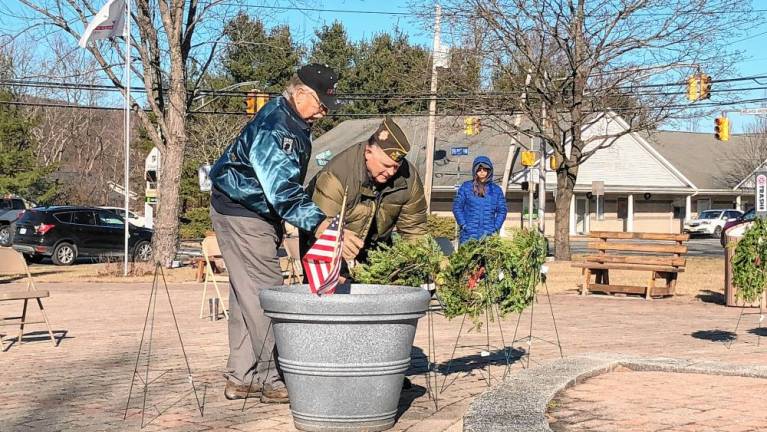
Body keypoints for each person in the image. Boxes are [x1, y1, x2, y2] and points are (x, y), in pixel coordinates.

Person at [208, 64, 363, 403]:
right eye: (321, 104)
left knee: (246, 295)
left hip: (243, 210)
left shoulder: (292, 120)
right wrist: (323, 225)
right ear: (302, 93)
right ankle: (274, 377)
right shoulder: (277, 127)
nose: (324, 112)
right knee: (268, 295)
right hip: (243, 212)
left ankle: (242, 376)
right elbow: (282, 191)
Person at [300, 117, 428, 276]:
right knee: (327, 294)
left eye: (396, 166)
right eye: (386, 165)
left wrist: (420, 266)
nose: (391, 172)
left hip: (376, 250)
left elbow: (414, 230)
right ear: (368, 152)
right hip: (329, 246)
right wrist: (337, 272)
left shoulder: (408, 179)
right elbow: (322, 229)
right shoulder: (336, 175)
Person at [452, 156, 508, 244]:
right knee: (467, 257)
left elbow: (502, 210)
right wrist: (463, 225)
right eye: (479, 169)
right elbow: (457, 207)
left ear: (489, 171)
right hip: (468, 236)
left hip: (489, 236)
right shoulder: (466, 187)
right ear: (475, 171)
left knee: (487, 257)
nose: (482, 171)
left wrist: (496, 227)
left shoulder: (496, 190)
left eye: (485, 169)